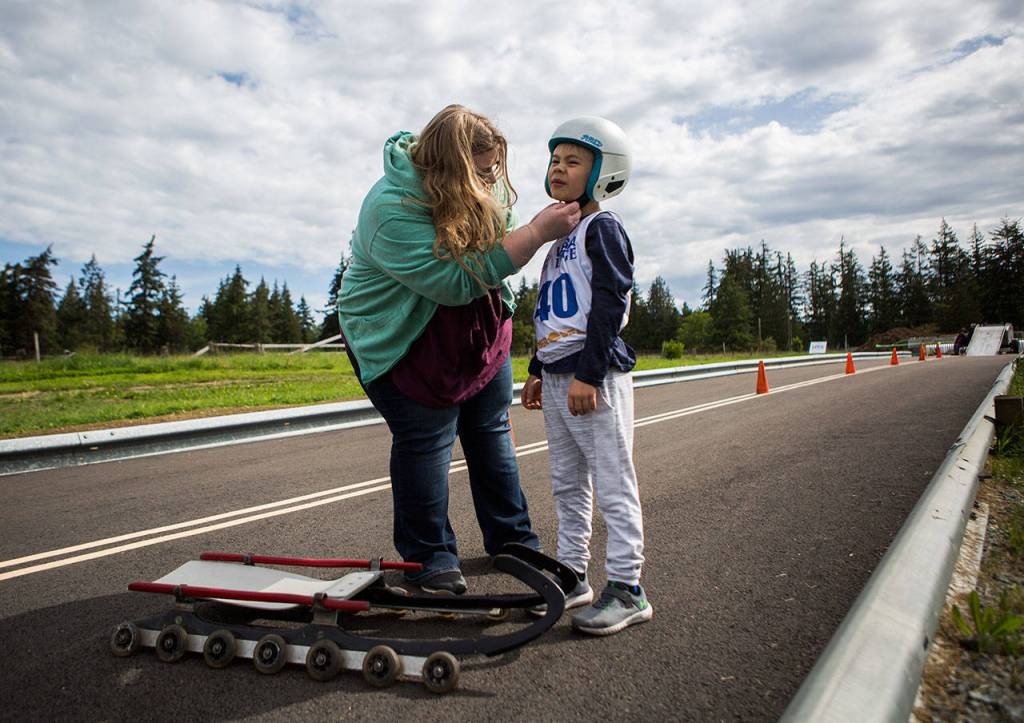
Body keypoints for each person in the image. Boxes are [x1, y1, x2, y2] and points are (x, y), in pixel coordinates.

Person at [338, 105, 580, 594]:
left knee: (490, 431)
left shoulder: (480, 185)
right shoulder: (389, 208)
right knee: (428, 440)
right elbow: (454, 282)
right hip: (404, 343)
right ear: (450, 168)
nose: (493, 178)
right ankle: (429, 558)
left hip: (477, 332)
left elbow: (494, 249)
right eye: (483, 170)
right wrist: (534, 234)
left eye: (495, 168)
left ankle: (512, 540)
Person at [521, 117, 652, 635]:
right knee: (567, 485)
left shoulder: (603, 228)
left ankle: (628, 587)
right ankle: (573, 575)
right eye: (555, 159)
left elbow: (608, 303)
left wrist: (589, 375)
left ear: (604, 172)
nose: (559, 167)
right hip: (557, 378)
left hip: (591, 376)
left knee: (614, 483)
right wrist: (536, 368)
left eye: (573, 161)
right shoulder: (558, 240)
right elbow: (551, 311)